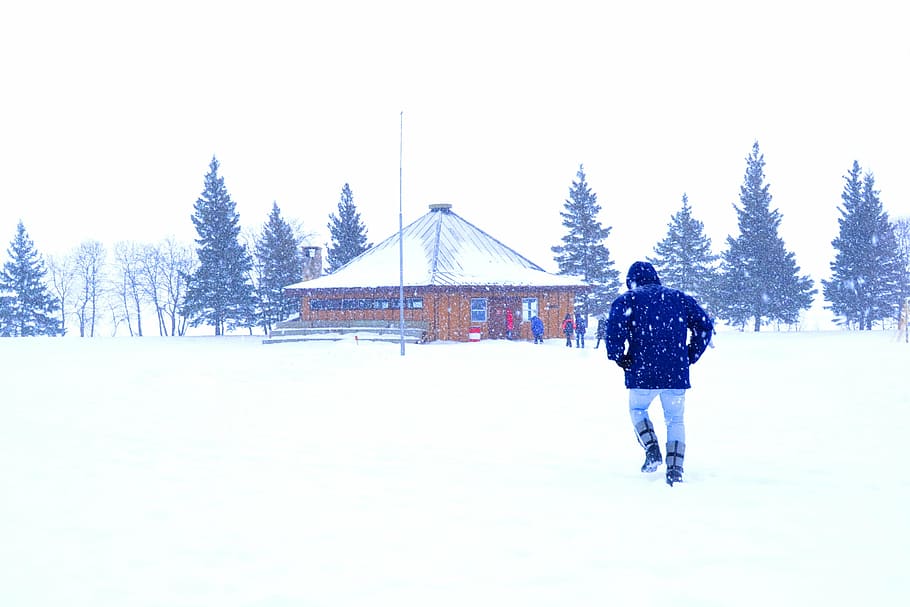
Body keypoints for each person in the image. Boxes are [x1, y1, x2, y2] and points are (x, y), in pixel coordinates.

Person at [606, 261, 713, 486]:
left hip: (641, 371)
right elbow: (704, 325)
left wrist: (619, 357)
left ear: (631, 280)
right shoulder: (679, 298)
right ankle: (675, 470)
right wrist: (690, 354)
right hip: (675, 372)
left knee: (637, 409)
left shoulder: (627, 300)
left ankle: (651, 447)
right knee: (675, 419)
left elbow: (614, 330)